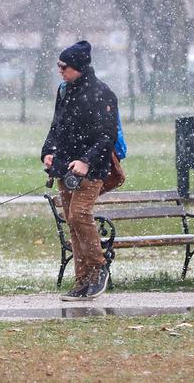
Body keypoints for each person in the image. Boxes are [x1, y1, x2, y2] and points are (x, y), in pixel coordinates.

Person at [40, 39, 120, 301]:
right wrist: (48, 152)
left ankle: (99, 267)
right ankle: (82, 280)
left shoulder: (102, 94)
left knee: (79, 215)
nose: (60, 70)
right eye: (59, 65)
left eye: (64, 66)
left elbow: (107, 136)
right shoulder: (64, 91)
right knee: (72, 224)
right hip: (65, 168)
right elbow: (56, 126)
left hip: (92, 169)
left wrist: (85, 160)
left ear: (79, 68)